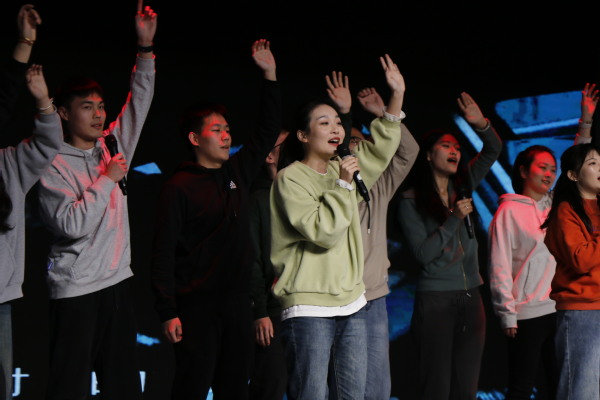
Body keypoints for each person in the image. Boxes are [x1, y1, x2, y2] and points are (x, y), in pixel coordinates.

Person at [35, 4, 156, 399]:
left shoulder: (113, 145)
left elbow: (138, 103)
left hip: (117, 284)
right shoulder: (51, 163)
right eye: (87, 107)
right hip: (75, 291)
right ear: (64, 113)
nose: (98, 114)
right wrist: (106, 180)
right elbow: (71, 225)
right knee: (68, 388)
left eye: (101, 106)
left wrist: (144, 48)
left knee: (123, 387)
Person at [150, 38, 281, 399]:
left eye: (227, 130)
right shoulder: (178, 187)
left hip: (237, 304)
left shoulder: (237, 170)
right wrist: (167, 310)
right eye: (216, 130)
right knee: (192, 386)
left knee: (234, 388)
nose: (226, 136)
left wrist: (269, 75)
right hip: (196, 307)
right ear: (195, 138)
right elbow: (162, 253)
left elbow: (267, 131)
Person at [270, 54, 404, 400]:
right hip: (308, 305)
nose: (336, 129)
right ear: (303, 135)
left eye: (337, 123)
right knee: (312, 393)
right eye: (324, 123)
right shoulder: (290, 178)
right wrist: (344, 185)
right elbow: (322, 231)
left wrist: (396, 97)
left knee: (353, 394)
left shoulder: (339, 168)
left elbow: (381, 151)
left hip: (352, 301)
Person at [487, 83, 597, 400]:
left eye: (552, 168)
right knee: (522, 387)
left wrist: (586, 121)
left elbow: (578, 165)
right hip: (526, 314)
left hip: (558, 307)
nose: (549, 174)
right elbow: (498, 267)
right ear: (523, 171)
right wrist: (506, 313)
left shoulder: (556, 204)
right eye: (542, 167)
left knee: (559, 384)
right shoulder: (508, 211)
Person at [396, 92, 502, 399]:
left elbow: (493, 149)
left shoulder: (464, 186)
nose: (454, 150)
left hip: (472, 296)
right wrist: (454, 218)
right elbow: (423, 255)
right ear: (429, 155)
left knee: (467, 386)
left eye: (457, 147)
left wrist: (480, 124)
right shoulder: (410, 200)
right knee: (437, 386)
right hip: (436, 300)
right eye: (446, 146)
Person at [353, 86, 419, 400]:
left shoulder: (379, 186)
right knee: (344, 383)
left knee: (378, 386)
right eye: (352, 143)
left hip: (375, 297)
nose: (359, 148)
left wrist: (384, 113)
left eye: (363, 142)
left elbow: (408, 152)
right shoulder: (325, 185)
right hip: (337, 298)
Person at [542, 142, 600, 399]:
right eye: (593, 163)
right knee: (582, 390)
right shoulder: (566, 211)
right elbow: (581, 259)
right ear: (573, 175)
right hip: (583, 311)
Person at [248, 129, 289, 400]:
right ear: (269, 156)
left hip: (305, 307)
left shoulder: (305, 195)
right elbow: (252, 258)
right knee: (271, 384)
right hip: (272, 310)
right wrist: (260, 311)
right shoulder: (259, 200)